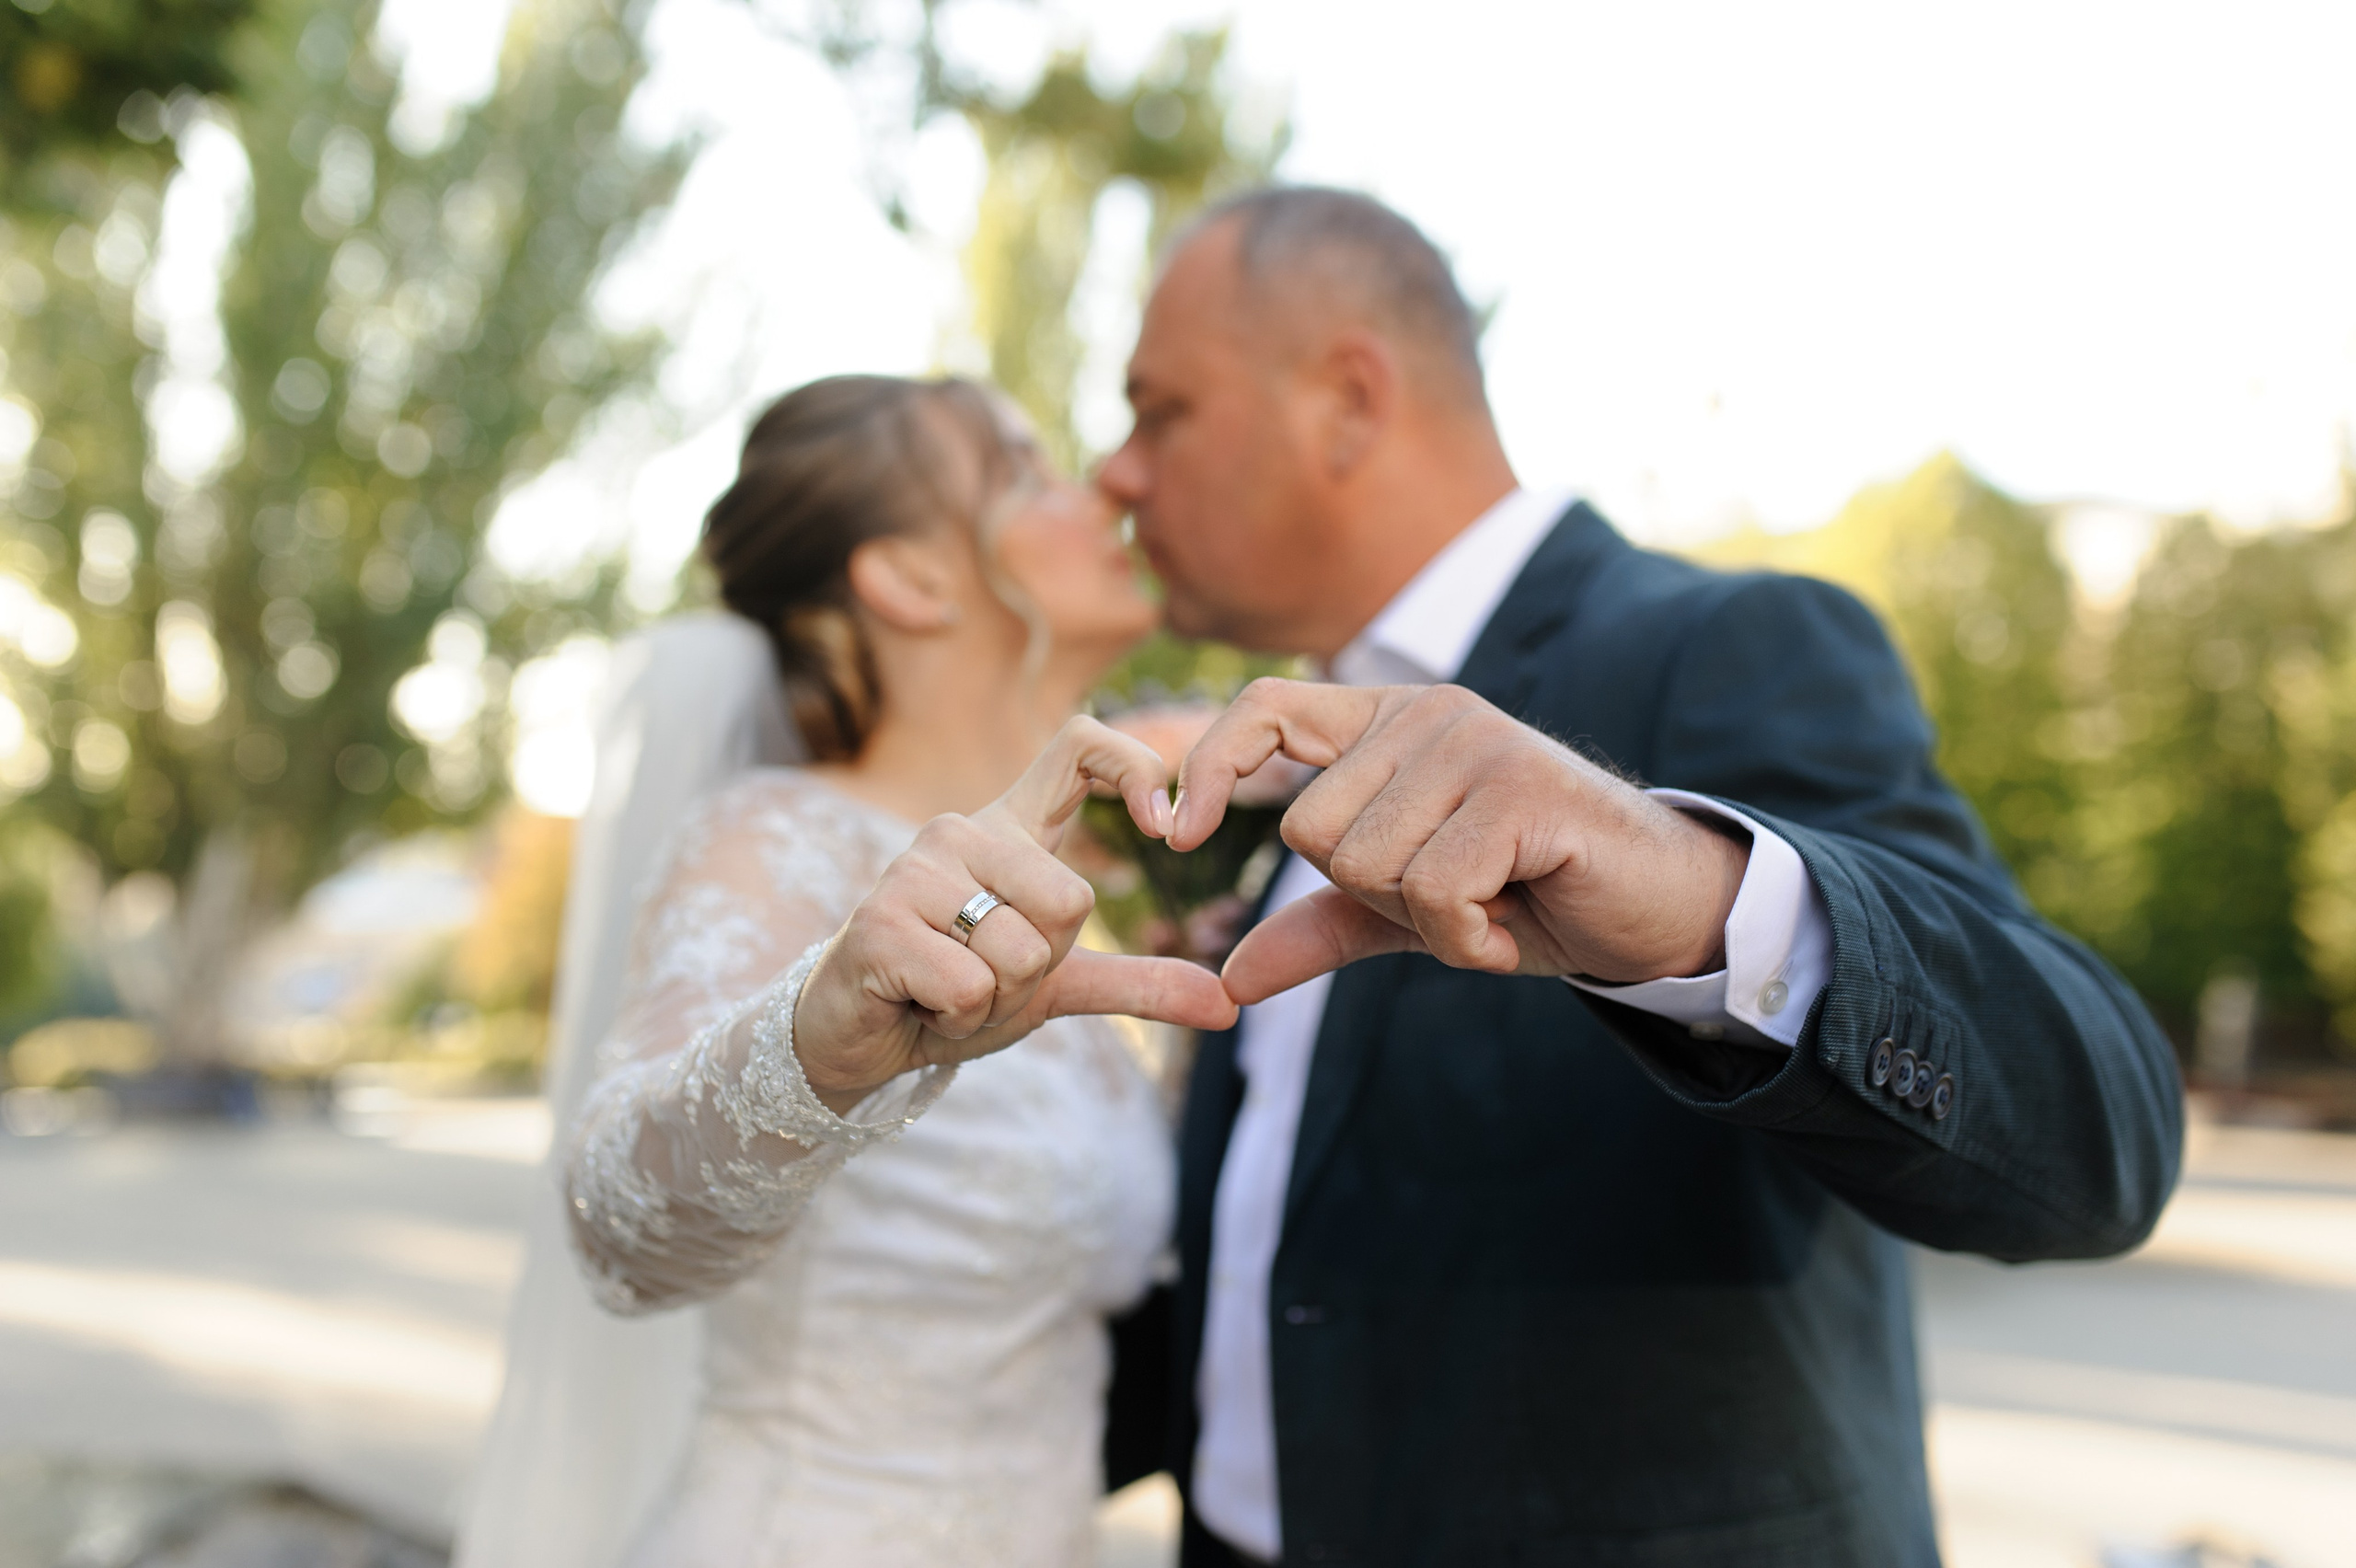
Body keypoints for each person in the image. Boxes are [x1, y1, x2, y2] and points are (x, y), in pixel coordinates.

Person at [1094, 187, 2184, 1566]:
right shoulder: (1297, 749)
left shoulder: (1730, 644)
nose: (1115, 475)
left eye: (1158, 410)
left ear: (1349, 401)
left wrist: (1683, 890)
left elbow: (2106, 1140)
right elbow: (1283, 1274)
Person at [458, 374, 1233, 1568]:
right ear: (910, 579)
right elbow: (618, 1222)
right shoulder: (773, 842)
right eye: (1024, 472)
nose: (1101, 495)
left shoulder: (1079, 895)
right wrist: (813, 1050)